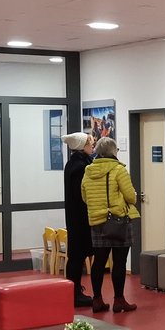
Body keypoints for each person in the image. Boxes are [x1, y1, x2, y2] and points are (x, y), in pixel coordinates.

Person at [80, 137, 139, 313]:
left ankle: (97, 300)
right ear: (113, 151)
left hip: (97, 221)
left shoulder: (88, 171)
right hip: (118, 221)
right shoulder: (119, 170)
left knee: (99, 262)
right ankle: (119, 300)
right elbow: (131, 197)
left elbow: (84, 197)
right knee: (119, 261)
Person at [60, 131, 95, 308]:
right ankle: (74, 294)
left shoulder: (72, 164)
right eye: (90, 144)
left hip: (74, 217)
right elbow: (82, 195)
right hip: (80, 217)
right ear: (82, 146)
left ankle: (73, 292)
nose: (92, 147)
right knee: (77, 257)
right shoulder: (81, 167)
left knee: (76, 256)